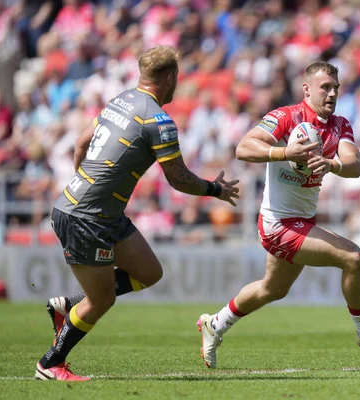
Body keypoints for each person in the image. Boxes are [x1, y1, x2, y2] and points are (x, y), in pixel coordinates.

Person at [35, 45, 239, 381]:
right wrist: (215, 189)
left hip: (97, 211)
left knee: (149, 271)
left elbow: (81, 143)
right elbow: (178, 179)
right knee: (100, 302)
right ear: (171, 78)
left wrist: (82, 182)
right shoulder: (159, 121)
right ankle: (50, 363)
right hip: (88, 217)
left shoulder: (122, 100)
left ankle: (69, 305)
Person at [196, 61, 360, 369]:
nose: (332, 93)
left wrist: (333, 164)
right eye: (325, 87)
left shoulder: (340, 125)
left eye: (336, 87)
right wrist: (285, 153)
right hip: (278, 223)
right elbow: (243, 148)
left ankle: (215, 324)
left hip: (302, 221)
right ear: (306, 89)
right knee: (353, 258)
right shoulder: (286, 117)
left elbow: (355, 164)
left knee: (273, 289)